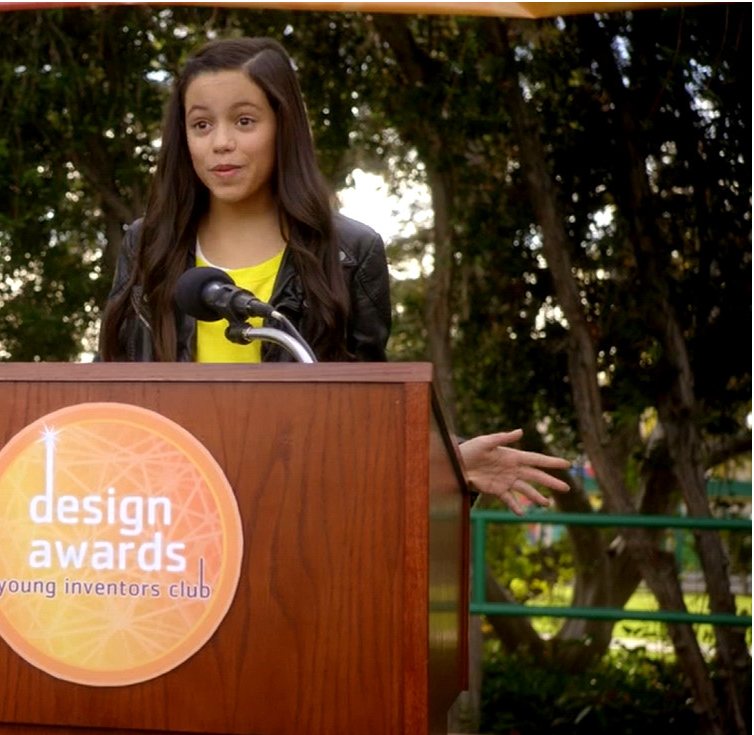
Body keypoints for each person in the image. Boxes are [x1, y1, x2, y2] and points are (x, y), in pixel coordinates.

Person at [97, 36, 569, 514]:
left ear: (284, 126)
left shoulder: (348, 254)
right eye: (201, 124)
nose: (221, 142)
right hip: (166, 512)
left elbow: (363, 413)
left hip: (296, 511)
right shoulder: (147, 247)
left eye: (244, 121)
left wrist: (446, 461)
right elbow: (108, 396)